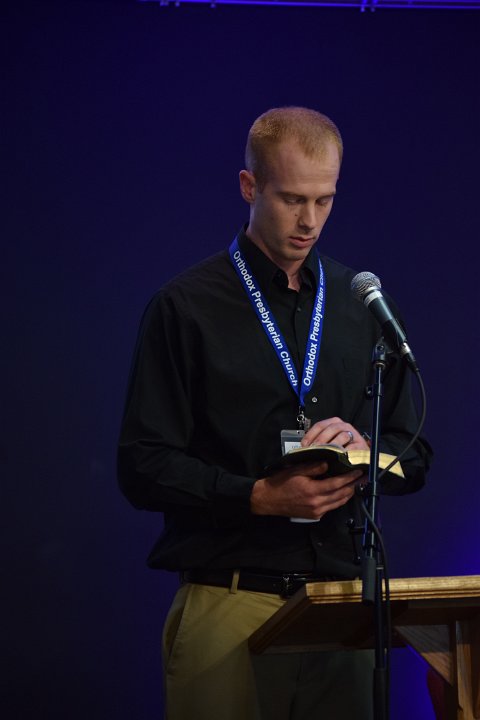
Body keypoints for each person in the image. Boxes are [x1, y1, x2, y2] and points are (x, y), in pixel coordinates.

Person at [117, 106, 432, 720]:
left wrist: (363, 454)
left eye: (324, 200)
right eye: (292, 199)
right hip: (230, 598)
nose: (309, 220)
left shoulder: (361, 304)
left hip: (340, 603)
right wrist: (258, 496)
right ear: (249, 186)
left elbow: (414, 452)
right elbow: (142, 465)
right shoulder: (185, 307)